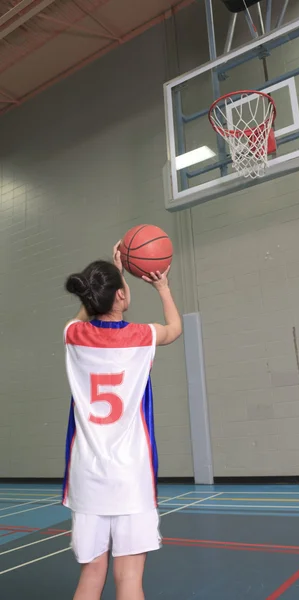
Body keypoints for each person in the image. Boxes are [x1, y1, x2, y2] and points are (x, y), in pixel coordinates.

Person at [62, 242, 182, 600]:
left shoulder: (73, 335)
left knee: (91, 576)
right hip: (131, 476)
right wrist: (161, 287)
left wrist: (112, 284)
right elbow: (174, 328)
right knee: (129, 578)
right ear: (121, 296)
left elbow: (88, 313)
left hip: (87, 476)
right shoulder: (141, 336)